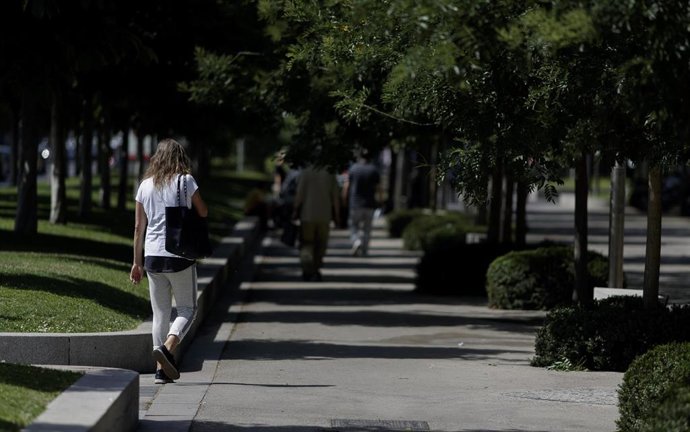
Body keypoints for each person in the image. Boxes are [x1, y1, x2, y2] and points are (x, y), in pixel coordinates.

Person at [129, 138, 208, 384]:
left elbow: (138, 228)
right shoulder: (186, 181)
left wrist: (136, 262)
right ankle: (167, 347)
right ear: (179, 158)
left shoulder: (144, 185)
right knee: (188, 309)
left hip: (152, 257)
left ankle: (160, 370)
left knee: (160, 314)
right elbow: (203, 212)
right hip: (179, 255)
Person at [292, 165, 340, 281]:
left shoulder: (305, 171)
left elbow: (300, 194)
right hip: (324, 215)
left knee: (307, 243)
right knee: (321, 244)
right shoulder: (330, 172)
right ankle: (316, 269)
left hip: (307, 215)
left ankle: (307, 269)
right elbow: (335, 196)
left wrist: (295, 210)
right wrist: (337, 215)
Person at [343, 150, 381, 256]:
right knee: (367, 229)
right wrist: (381, 201)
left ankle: (356, 241)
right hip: (370, 204)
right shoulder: (374, 170)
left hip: (355, 204)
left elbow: (346, 186)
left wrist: (344, 199)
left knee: (354, 226)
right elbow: (379, 188)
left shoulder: (353, 168)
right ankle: (364, 250)